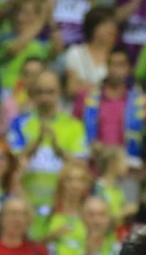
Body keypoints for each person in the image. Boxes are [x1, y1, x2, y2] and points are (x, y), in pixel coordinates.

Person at [8, 69, 90, 217]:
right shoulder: (19, 123)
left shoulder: (74, 126)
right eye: (40, 92)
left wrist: (58, 148)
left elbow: (81, 167)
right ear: (32, 94)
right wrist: (36, 142)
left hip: (60, 206)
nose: (45, 97)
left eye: (50, 92)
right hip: (26, 204)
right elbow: (12, 163)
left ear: (59, 93)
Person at [76, 46, 146, 170]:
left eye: (121, 65)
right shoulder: (87, 98)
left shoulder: (141, 101)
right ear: (106, 67)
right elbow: (74, 128)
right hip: (93, 168)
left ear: (128, 68)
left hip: (129, 170)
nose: (115, 69)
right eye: (112, 64)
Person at [64, 6, 119, 98]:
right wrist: (104, 90)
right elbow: (72, 88)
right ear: (93, 28)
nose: (112, 29)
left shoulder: (118, 57)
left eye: (113, 24)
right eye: (105, 24)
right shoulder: (76, 53)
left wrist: (86, 85)